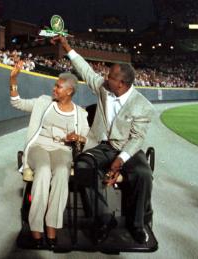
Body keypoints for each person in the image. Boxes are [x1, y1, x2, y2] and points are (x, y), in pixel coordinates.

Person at [52, 36, 155, 244]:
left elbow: (136, 139)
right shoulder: (103, 88)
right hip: (100, 145)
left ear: (122, 83)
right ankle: (103, 219)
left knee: (144, 174)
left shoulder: (143, 106)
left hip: (127, 148)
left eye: (111, 77)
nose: (105, 78)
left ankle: (137, 224)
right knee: (83, 166)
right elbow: (86, 71)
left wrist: (120, 161)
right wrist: (67, 48)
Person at [9, 61, 89, 248]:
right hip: (39, 146)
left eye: (58, 87)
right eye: (55, 85)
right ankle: (36, 227)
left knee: (62, 172)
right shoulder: (43, 102)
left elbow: (87, 137)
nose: (54, 89)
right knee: (43, 171)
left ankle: (52, 225)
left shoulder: (80, 113)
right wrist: (13, 80)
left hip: (62, 149)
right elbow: (17, 103)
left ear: (69, 91)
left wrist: (77, 137)